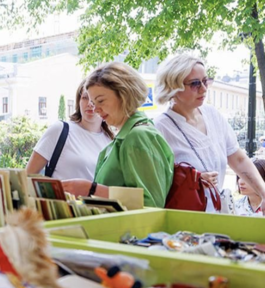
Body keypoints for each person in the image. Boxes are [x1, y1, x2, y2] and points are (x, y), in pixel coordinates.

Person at [154, 53, 265, 214]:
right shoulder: (160, 128)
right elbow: (155, 182)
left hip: (216, 218)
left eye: (205, 81)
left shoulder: (213, 115)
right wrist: (193, 179)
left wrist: (263, 192)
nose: (204, 88)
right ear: (173, 87)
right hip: (182, 222)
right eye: (195, 84)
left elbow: (238, 159)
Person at [62, 63, 174, 208]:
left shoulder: (137, 136)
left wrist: (90, 189)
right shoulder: (126, 136)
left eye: (100, 101)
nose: (95, 109)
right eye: (93, 102)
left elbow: (151, 204)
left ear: (124, 94)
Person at [26, 81, 114, 180]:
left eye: (96, 99)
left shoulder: (111, 141)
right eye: (85, 97)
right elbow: (27, 175)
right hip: (59, 196)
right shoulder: (60, 130)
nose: (90, 103)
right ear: (78, 101)